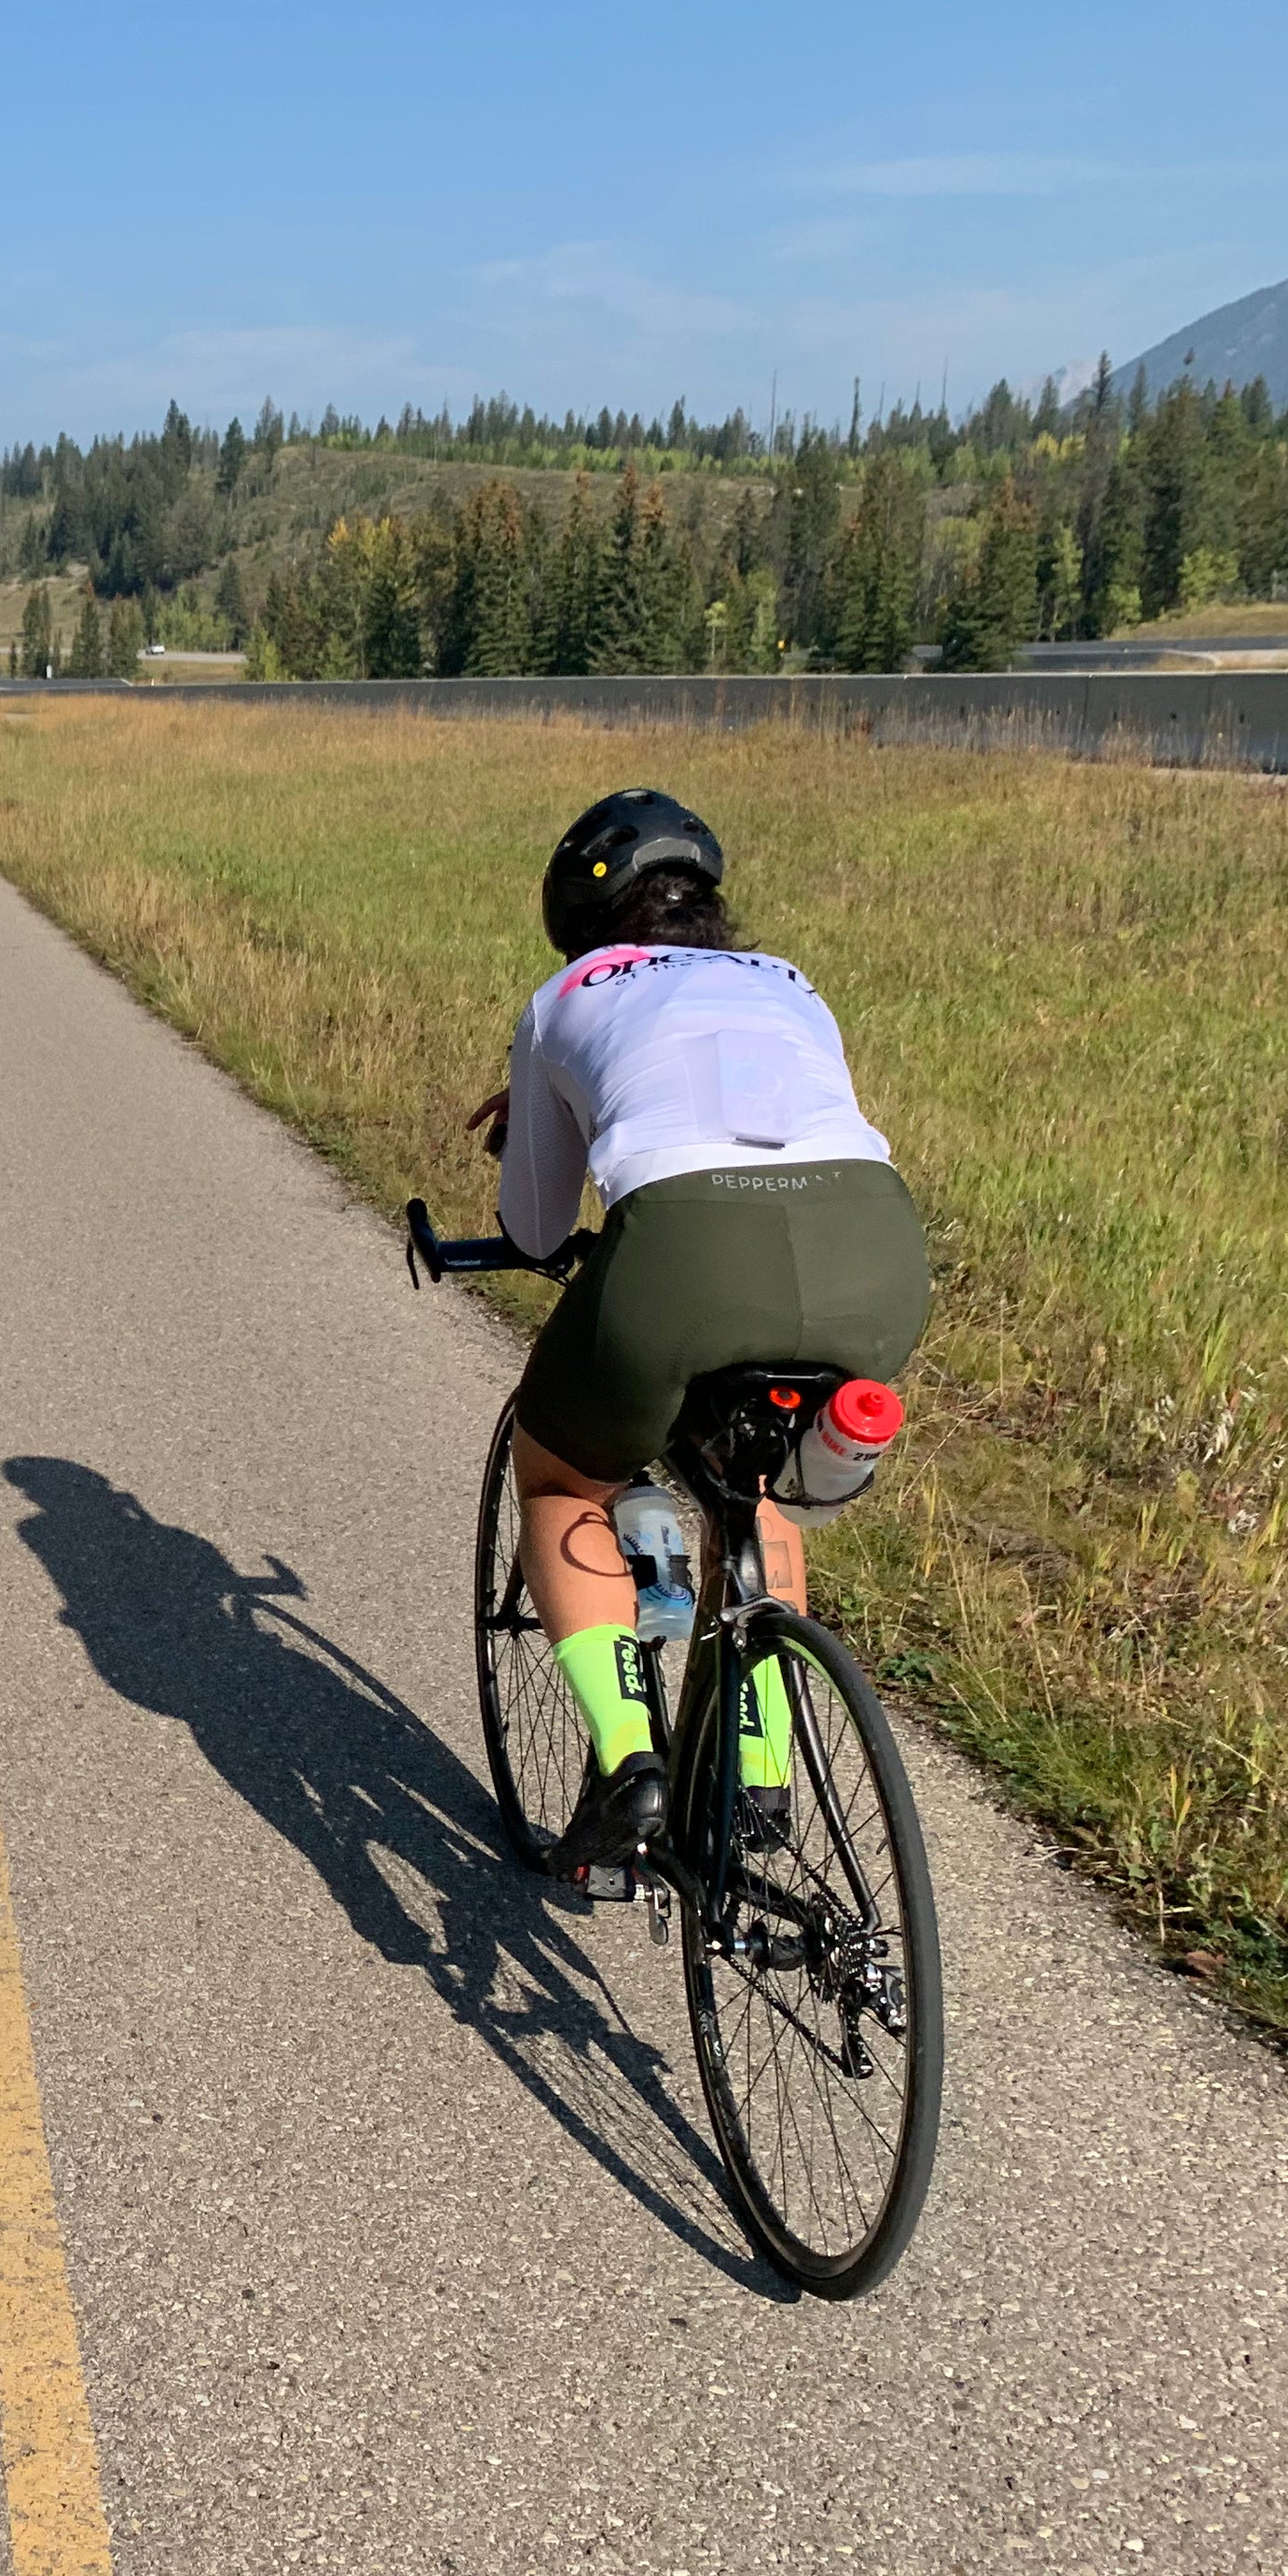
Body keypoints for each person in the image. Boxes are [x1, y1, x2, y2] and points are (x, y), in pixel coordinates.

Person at [479, 788, 928, 1873]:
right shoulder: (790, 981)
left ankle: (630, 1763)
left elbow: (535, 1228)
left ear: (579, 916)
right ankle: (760, 1773)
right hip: (876, 1250)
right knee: (755, 1489)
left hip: (686, 1255)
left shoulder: (565, 994)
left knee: (561, 1482)